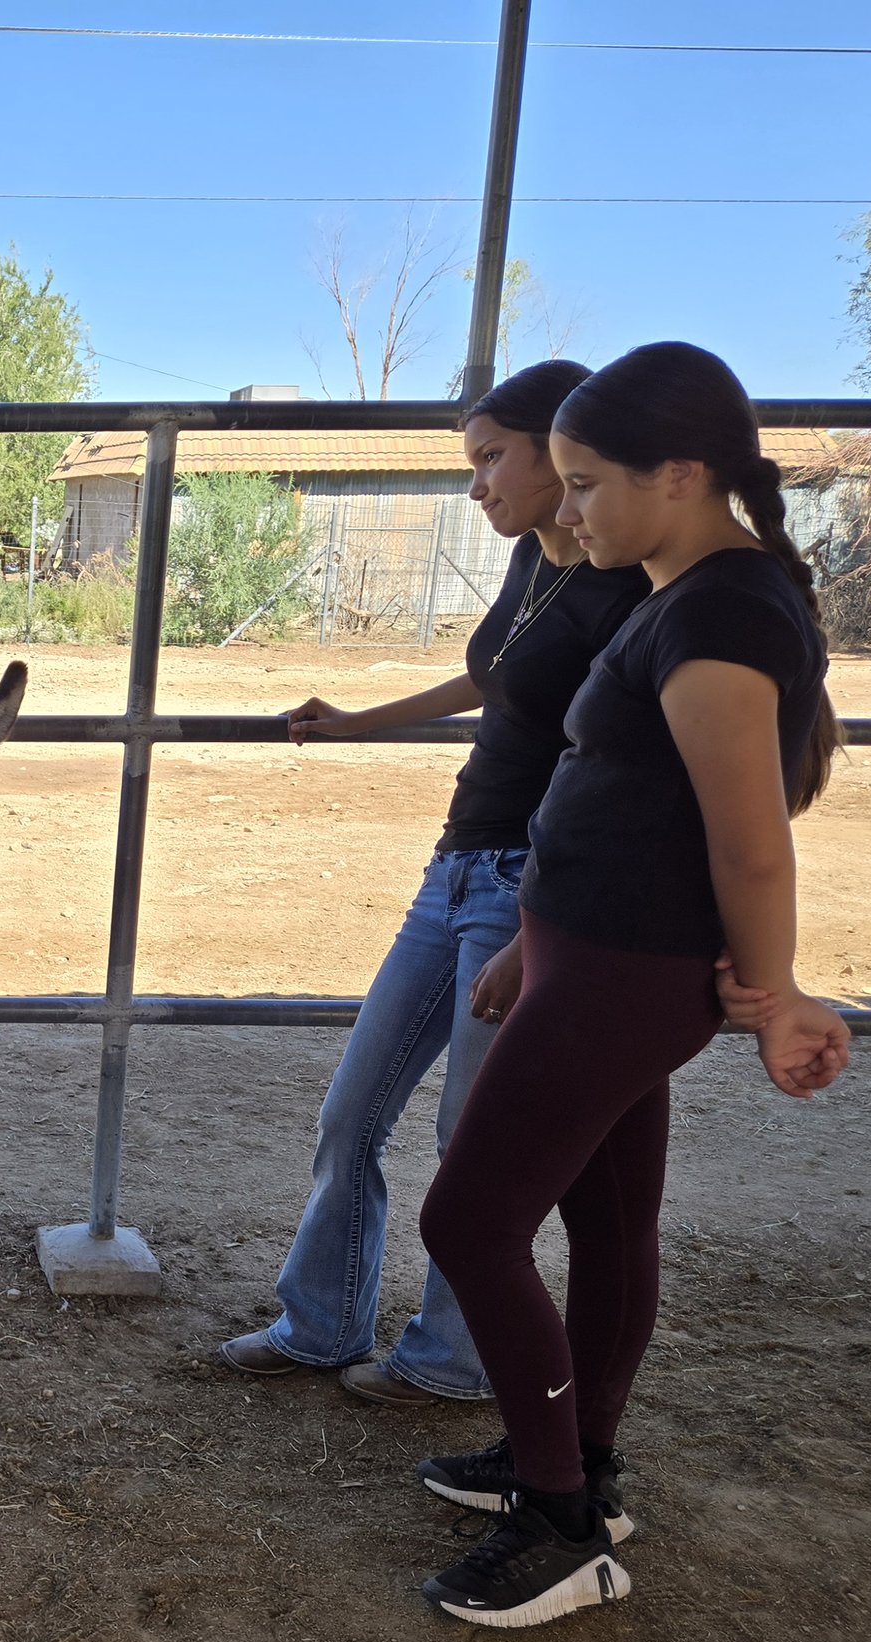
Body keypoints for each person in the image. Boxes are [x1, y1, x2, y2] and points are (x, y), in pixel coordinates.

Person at [413, 340, 849, 1628]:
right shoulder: (672, 589)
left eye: (589, 483)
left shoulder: (722, 610)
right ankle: (581, 1467)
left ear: (681, 472)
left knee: (468, 1223)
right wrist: (522, 942)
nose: (574, 508)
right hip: (581, 951)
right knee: (605, 1223)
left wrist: (770, 1000)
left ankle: (560, 1526)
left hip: (626, 969)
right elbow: (610, 797)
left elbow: (748, 835)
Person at [220, 361, 651, 1406]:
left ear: (558, 452)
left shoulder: (625, 591)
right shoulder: (536, 566)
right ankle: (320, 1322)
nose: (476, 490)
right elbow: (492, 675)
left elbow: (622, 772)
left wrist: (535, 925)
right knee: (351, 1108)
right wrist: (359, 724)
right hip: (453, 869)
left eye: (490, 460)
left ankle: (451, 1359)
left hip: (524, 889)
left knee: (472, 1136)